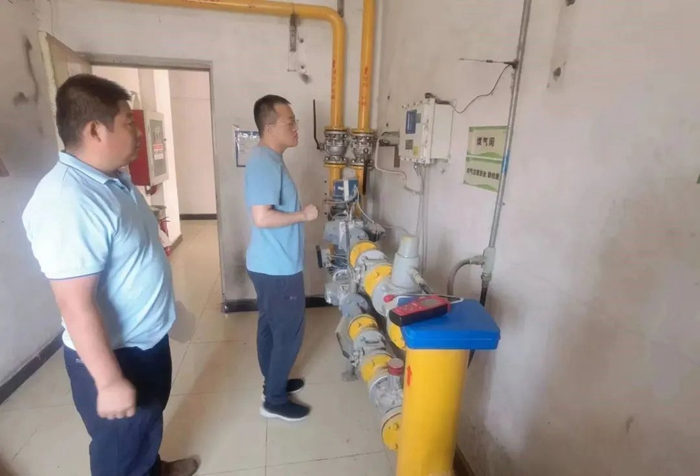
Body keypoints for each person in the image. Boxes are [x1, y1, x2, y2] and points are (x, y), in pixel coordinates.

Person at [22, 74, 199, 476]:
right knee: (118, 451)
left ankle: (153, 468)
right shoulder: (69, 201)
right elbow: (74, 304)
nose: (137, 132)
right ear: (95, 130)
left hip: (144, 341)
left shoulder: (111, 180)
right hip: (115, 355)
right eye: (128, 123)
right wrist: (107, 381)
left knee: (145, 426)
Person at [245, 95, 319, 422]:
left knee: (270, 328)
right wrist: (304, 215)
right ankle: (274, 400)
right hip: (277, 267)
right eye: (290, 122)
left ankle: (272, 383)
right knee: (288, 333)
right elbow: (262, 217)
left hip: (268, 264)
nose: (296, 127)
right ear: (270, 127)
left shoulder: (269, 159)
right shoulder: (265, 162)